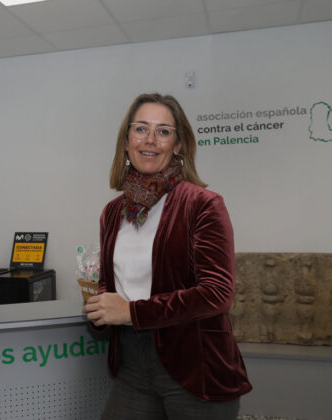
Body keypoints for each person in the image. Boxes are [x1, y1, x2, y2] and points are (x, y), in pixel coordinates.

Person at [83, 93, 252, 419]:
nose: (150, 140)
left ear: (178, 145)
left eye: (163, 131)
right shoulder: (113, 212)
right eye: (141, 129)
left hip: (196, 366)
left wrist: (132, 312)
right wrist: (101, 308)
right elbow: (109, 282)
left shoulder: (202, 204)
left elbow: (216, 295)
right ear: (127, 140)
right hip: (131, 364)